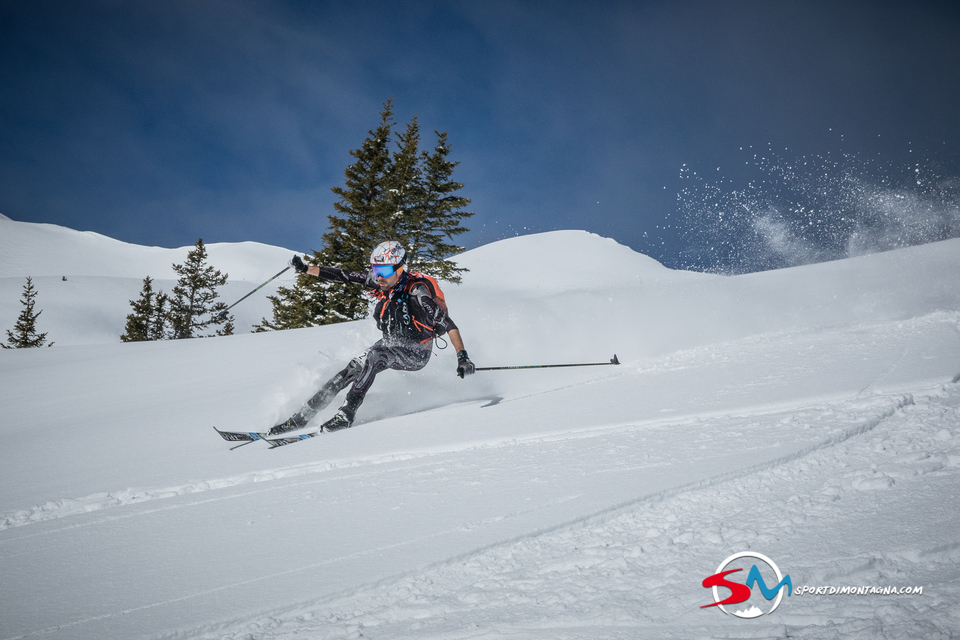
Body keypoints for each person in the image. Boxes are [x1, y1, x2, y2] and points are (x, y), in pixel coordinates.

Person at [271, 240, 475, 434]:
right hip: (391, 343)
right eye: (376, 270)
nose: (379, 277)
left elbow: (450, 325)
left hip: (417, 352)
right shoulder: (382, 282)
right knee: (350, 370)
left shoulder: (418, 293)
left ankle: (346, 414)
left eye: (385, 271)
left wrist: (463, 357)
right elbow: (343, 275)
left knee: (375, 356)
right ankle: (301, 417)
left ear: (400, 269)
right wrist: (306, 268)